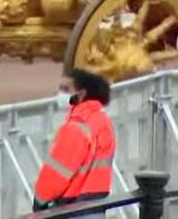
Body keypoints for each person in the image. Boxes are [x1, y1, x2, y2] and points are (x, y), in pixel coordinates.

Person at [33, 69, 116, 216]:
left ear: (81, 94)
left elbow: (57, 173)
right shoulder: (103, 122)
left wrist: (39, 201)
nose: (60, 94)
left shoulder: (75, 127)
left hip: (72, 209)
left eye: (66, 89)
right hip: (96, 206)